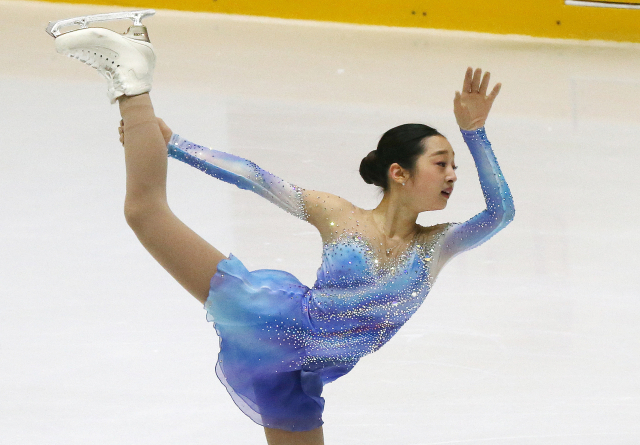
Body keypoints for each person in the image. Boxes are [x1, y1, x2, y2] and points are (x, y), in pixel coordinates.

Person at [49, 12, 514, 445]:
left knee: (145, 212)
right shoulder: (339, 214)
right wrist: (175, 145)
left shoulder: (437, 245)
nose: (453, 175)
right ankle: (132, 82)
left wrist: (476, 132)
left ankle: (132, 72)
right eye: (441, 163)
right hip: (271, 323)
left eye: (455, 165)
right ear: (399, 173)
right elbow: (256, 178)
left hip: (301, 377)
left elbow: (501, 213)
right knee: (146, 212)